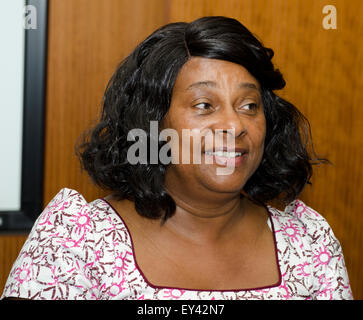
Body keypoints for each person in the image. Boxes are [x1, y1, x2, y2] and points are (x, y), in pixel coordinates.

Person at [1, 16, 353, 300]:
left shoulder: (308, 245)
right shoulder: (77, 241)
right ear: (154, 124)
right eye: (204, 105)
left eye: (249, 105)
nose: (235, 125)